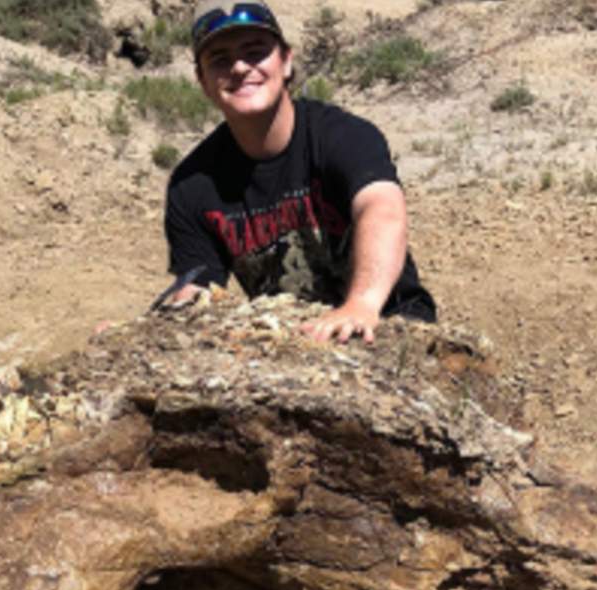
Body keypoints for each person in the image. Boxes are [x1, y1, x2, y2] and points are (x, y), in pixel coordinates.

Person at [163, 0, 436, 343]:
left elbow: (382, 208)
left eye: (255, 51)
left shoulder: (342, 136)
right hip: (291, 342)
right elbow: (196, 289)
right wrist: (138, 333)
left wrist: (361, 305)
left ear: (286, 61)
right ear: (202, 81)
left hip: (385, 324)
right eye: (220, 59)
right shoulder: (191, 185)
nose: (240, 67)